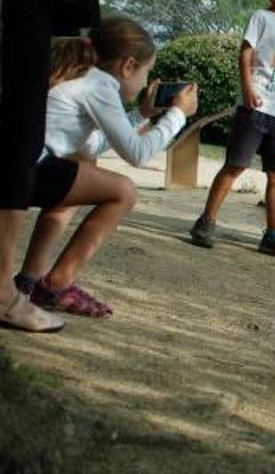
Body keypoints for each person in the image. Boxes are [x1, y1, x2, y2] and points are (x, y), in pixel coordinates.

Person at [11, 17, 198, 318]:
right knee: (123, 191)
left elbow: (89, 146)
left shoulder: (85, 78)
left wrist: (142, 114)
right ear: (128, 66)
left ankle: (29, 282)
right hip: (20, 171)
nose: (144, 81)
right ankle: (55, 285)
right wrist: (177, 114)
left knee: (80, 175)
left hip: (23, 165)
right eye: (146, 71)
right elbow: (137, 154)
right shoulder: (101, 86)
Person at [0, 0, 99, 332]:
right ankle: (10, 290)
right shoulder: (94, 89)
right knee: (18, 139)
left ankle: (24, 282)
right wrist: (174, 115)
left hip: (31, 2)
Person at [190, 0, 275, 259]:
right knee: (236, 165)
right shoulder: (261, 17)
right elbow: (245, 55)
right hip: (255, 105)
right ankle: (206, 222)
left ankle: (274, 235)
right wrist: (247, 91)